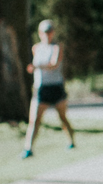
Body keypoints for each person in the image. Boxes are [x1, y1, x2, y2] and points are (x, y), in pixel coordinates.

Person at [22, 19, 75, 156]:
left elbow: (54, 64)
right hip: (41, 88)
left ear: (53, 32)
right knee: (34, 120)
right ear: (40, 33)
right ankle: (28, 148)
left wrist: (37, 67)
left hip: (56, 87)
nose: (47, 34)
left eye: (50, 31)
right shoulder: (36, 48)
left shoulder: (57, 47)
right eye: (45, 32)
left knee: (62, 118)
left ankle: (71, 141)